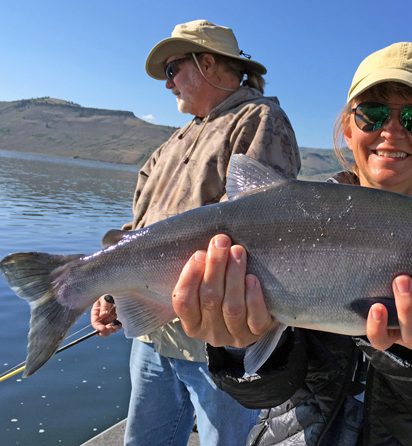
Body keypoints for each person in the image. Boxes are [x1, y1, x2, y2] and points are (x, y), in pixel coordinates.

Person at [170, 42, 412, 445]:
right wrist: (234, 346)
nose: (392, 130)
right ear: (348, 129)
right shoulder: (291, 218)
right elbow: (266, 394)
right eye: (372, 114)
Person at [90, 20, 301, 446]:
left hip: (215, 338)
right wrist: (112, 289)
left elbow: (259, 225)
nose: (168, 85)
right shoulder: (168, 146)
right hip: (152, 337)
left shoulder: (260, 118)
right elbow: (139, 228)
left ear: (207, 64)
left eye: (173, 70)